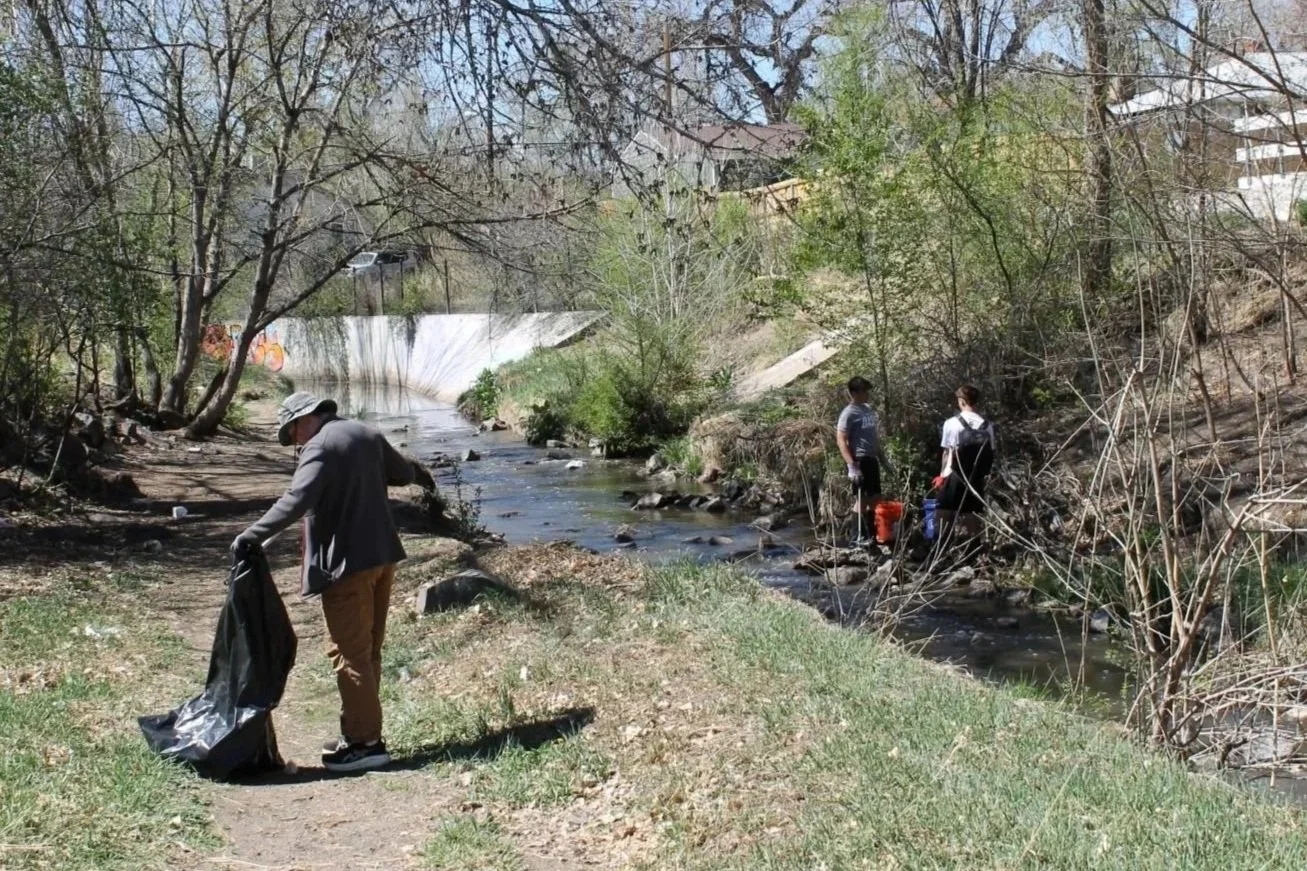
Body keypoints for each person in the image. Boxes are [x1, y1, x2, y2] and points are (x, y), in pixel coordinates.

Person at [232, 392, 435, 773]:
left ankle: (366, 745)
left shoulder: (319, 446)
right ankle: (358, 732)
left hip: (347, 567)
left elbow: (296, 500)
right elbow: (404, 474)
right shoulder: (365, 433)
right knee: (369, 649)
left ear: (304, 419)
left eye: (291, 433)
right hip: (382, 558)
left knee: (348, 653)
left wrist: (250, 536)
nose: (295, 442)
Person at [935, 384, 996, 545]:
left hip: (954, 474)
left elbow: (947, 453)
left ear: (961, 401)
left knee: (943, 510)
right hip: (976, 476)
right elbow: (992, 451)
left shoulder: (951, 423)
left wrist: (941, 476)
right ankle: (974, 551)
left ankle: (942, 547)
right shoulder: (987, 425)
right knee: (972, 513)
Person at [835, 376, 893, 546]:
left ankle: (871, 536)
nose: (867, 394)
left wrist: (883, 460)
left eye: (867, 390)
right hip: (859, 460)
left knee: (876, 498)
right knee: (862, 499)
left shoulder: (867, 409)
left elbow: (873, 437)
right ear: (854, 393)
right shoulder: (848, 413)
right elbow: (841, 440)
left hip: (872, 459)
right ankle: (856, 537)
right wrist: (851, 467)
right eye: (863, 391)